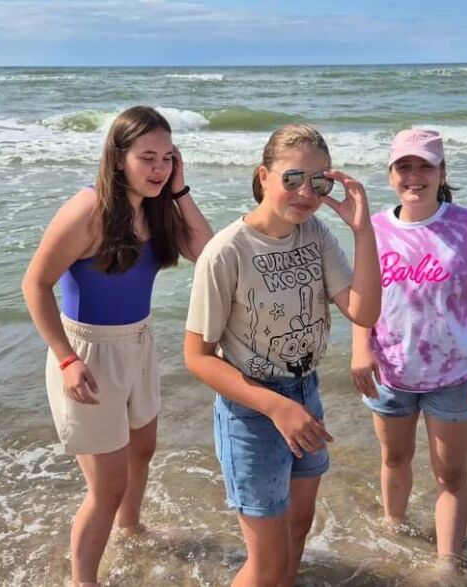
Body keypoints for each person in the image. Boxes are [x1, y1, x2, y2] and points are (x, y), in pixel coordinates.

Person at [21, 105, 212, 587]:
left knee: (142, 449)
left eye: (167, 158)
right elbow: (34, 284)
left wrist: (179, 191)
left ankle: (130, 530)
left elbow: (208, 254)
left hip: (138, 341)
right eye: (147, 158)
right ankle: (83, 580)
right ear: (118, 157)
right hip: (87, 352)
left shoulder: (157, 208)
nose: (158, 168)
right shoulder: (88, 211)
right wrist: (66, 359)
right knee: (107, 486)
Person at [183, 123, 381, 587]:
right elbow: (197, 357)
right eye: (292, 178)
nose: (306, 192)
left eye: (319, 181)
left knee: (296, 534)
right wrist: (276, 407)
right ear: (263, 176)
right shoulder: (226, 252)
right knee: (267, 563)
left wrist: (362, 230)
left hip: (305, 395)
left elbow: (365, 311)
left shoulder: (315, 234)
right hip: (252, 411)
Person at [350, 128, 467, 571]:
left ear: (442, 172)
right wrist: (360, 349)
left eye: (425, 166)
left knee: (450, 475)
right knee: (394, 458)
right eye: (404, 166)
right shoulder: (373, 229)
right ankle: (394, 532)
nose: (414, 176)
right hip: (390, 372)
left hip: (454, 375)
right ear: (390, 174)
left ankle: (446, 565)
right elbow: (362, 298)